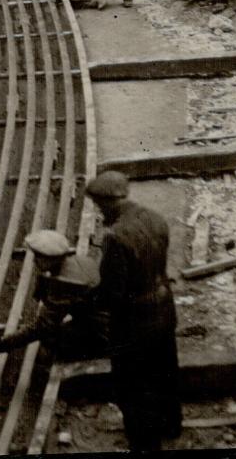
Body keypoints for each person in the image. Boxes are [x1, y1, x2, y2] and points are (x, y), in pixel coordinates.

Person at [86, 171, 181, 454]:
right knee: (166, 372)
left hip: (135, 323)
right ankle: (172, 425)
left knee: (133, 386)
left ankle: (145, 446)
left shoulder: (115, 237)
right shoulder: (156, 218)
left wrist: (86, 301)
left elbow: (114, 292)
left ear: (106, 202)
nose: (99, 211)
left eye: (99, 205)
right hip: (165, 308)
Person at [0, 229, 101, 360]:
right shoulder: (81, 261)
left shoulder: (64, 284)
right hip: (102, 318)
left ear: (50, 259)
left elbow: (42, 327)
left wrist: (3, 344)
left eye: (38, 257)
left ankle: (75, 358)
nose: (34, 261)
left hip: (100, 331)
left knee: (49, 337)